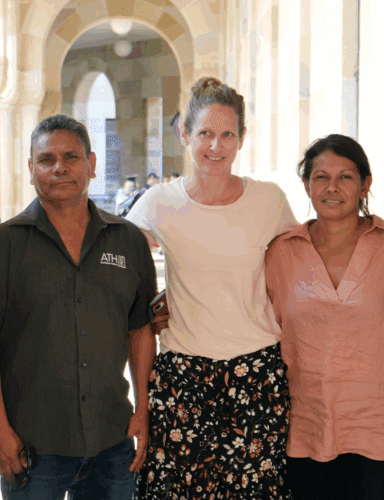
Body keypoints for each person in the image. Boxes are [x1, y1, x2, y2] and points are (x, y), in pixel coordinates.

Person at [0, 114, 157, 499]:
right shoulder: (0, 245)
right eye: (47, 159)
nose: (59, 167)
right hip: (30, 446)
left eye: (71, 157)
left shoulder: (128, 240)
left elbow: (141, 330)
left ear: (91, 164)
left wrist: (143, 410)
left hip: (112, 441)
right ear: (31, 170)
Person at [127, 77, 297, 499]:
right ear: (185, 134)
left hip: (257, 375)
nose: (215, 146)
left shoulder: (269, 200)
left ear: (242, 137)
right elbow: (116, 263)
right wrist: (153, 305)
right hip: (183, 376)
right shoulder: (159, 202)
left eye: (227, 135)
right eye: (205, 133)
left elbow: (297, 271)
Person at [265, 134, 384, 500]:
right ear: (306, 185)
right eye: (321, 177)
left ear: (365, 184)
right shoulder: (280, 253)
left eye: (346, 177)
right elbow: (252, 323)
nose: (332, 187)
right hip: (307, 430)